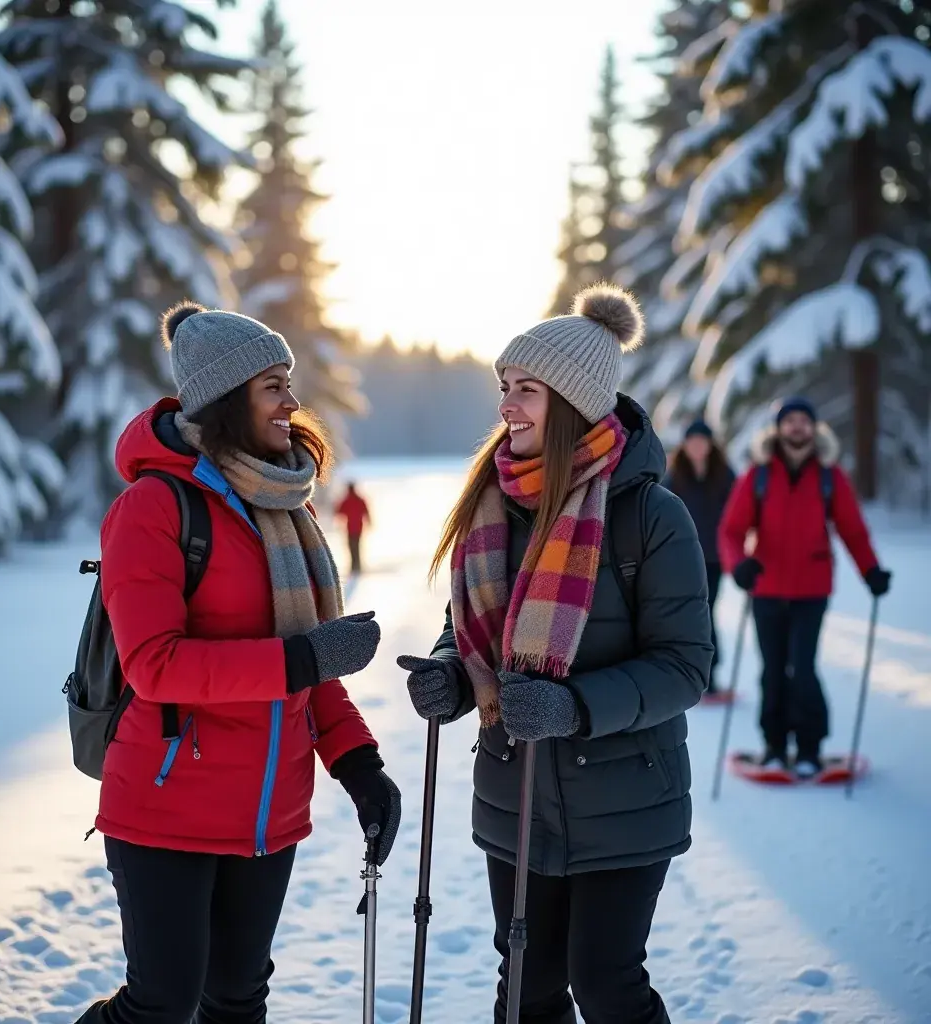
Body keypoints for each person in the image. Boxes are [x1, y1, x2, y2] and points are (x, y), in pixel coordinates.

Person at [76, 302, 401, 1024]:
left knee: (237, 1002)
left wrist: (359, 766)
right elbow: (154, 666)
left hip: (267, 817)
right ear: (227, 399)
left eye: (289, 383)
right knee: (160, 1006)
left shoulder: (289, 508)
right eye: (272, 386)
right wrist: (300, 658)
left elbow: (309, 674)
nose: (292, 402)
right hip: (165, 808)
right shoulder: (155, 507)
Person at [398, 284, 712, 1024]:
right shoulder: (494, 506)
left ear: (572, 401)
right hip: (516, 794)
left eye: (527, 390)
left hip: (625, 798)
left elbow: (685, 665)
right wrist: (449, 673)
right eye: (505, 388)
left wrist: (573, 707)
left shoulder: (649, 517)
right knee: (527, 985)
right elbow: (467, 626)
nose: (508, 405)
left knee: (606, 983)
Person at [719, 396, 891, 778]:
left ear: (814, 428)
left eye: (803, 420)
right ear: (779, 428)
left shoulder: (831, 477)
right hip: (766, 589)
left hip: (812, 590)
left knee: (804, 667)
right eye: (790, 420)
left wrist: (871, 571)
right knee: (773, 671)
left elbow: (853, 531)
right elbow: (731, 531)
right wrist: (739, 566)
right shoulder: (758, 475)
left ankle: (810, 749)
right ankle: (775, 748)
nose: (797, 427)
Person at [661, 419, 736, 696]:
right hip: (682, 558)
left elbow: (738, 513)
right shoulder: (674, 474)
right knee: (686, 614)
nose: (697, 446)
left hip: (714, 558)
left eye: (702, 441)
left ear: (710, 444)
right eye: (692, 441)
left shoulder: (725, 475)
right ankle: (686, 671)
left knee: (707, 612)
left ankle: (710, 673)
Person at [335, 481, 370, 575]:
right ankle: (357, 566)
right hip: (358, 527)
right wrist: (369, 521)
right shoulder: (360, 499)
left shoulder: (346, 500)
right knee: (357, 546)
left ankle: (354, 567)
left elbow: (338, 512)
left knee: (351, 547)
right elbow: (366, 511)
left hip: (350, 528)